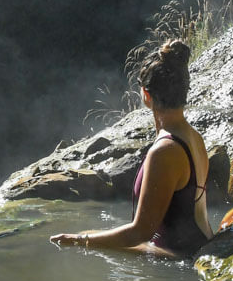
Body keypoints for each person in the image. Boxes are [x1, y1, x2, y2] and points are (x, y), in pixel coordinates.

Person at [50, 40, 213, 257]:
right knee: (91, 236)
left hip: (179, 259)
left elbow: (140, 233)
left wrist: (79, 240)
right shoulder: (194, 137)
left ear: (146, 94)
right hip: (200, 245)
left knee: (79, 244)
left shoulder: (165, 151)